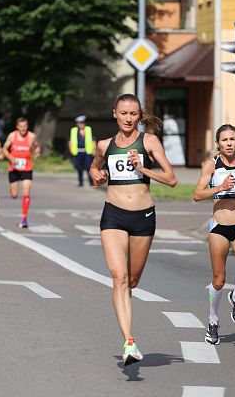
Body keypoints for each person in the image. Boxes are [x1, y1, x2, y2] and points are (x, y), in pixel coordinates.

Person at [89, 93, 177, 366]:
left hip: (143, 217)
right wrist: (96, 174)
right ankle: (129, 341)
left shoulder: (149, 141)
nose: (128, 118)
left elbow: (171, 179)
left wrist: (143, 168)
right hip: (113, 215)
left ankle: (127, 321)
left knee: (132, 281)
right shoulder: (104, 145)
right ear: (114, 113)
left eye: (133, 114)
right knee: (119, 277)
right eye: (123, 113)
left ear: (140, 116)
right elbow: (95, 166)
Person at [193, 124, 235, 345]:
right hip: (219, 227)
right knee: (219, 280)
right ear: (218, 143)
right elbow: (197, 195)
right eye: (224, 140)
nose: (228, 143)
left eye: (232, 139)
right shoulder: (212, 164)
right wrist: (219, 187)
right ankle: (213, 320)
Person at [2, 117, 41, 228]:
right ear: (17, 127)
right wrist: (10, 158)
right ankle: (23, 215)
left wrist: (37, 153)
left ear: (27, 126)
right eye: (21, 126)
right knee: (14, 195)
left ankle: (24, 218)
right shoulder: (12, 136)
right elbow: (4, 149)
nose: (23, 129)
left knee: (26, 190)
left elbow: (37, 147)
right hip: (14, 168)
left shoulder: (32, 136)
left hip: (27, 167)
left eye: (25, 126)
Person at [69, 115, 96, 187]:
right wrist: (71, 150)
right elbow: (70, 141)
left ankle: (91, 182)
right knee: (79, 168)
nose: (82, 124)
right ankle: (80, 182)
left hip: (87, 152)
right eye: (80, 123)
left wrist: (94, 150)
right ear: (77, 123)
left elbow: (93, 140)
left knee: (88, 167)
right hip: (77, 152)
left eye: (83, 122)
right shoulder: (73, 130)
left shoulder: (88, 129)